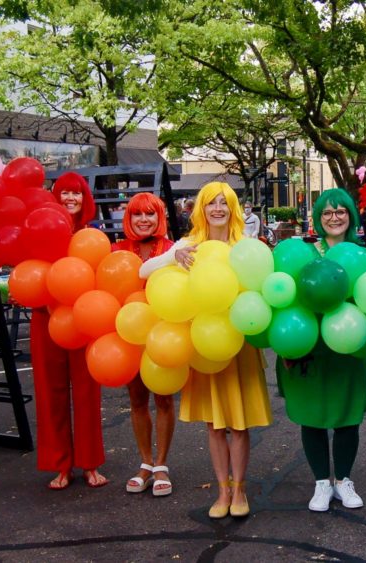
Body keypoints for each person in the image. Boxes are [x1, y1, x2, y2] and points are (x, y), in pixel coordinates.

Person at [139, 182, 272, 518]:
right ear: (201, 208)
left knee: (239, 425)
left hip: (238, 344)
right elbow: (144, 270)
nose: (217, 209)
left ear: (232, 209)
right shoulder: (189, 245)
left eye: (223, 203)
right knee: (214, 425)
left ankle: (240, 490)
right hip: (204, 344)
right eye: (211, 203)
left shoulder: (245, 245)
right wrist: (173, 256)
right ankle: (222, 491)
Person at [275, 188, 366, 512]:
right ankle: (321, 483)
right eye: (327, 212)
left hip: (347, 348)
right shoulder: (305, 254)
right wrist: (289, 345)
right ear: (318, 218)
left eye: (340, 211)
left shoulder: (362, 255)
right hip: (308, 348)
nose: (334, 217)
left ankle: (343, 480)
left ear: (350, 216)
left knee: (348, 415)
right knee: (311, 415)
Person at [32, 171, 107, 490]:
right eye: (64, 193)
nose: (70, 198)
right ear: (54, 196)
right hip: (45, 316)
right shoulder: (40, 230)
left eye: (76, 193)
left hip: (83, 317)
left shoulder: (91, 235)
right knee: (51, 392)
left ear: (85, 199)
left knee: (87, 391)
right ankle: (60, 464)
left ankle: (89, 463)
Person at [112, 193, 176, 497]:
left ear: (159, 217)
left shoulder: (172, 250)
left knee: (163, 400)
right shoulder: (116, 251)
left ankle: (162, 463)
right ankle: (146, 463)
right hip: (129, 337)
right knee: (137, 401)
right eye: (137, 214)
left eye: (150, 214)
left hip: (162, 337)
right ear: (129, 218)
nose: (143, 220)